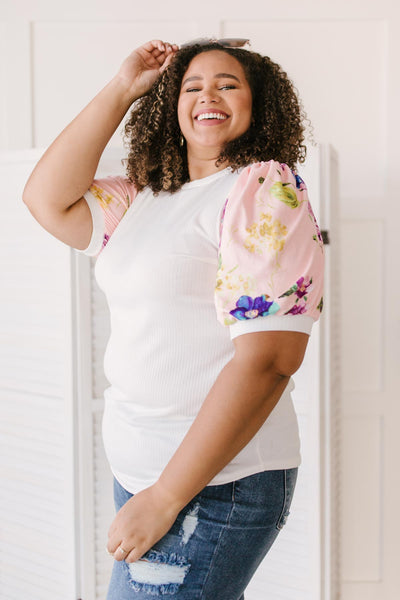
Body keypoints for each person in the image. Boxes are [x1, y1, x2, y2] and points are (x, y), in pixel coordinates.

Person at [23, 38, 324, 599]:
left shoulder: (261, 187)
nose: (208, 94)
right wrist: (122, 88)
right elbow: (45, 198)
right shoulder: (144, 198)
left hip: (211, 487)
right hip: (144, 478)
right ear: (170, 106)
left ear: (260, 104)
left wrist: (165, 498)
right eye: (192, 85)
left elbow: (270, 361)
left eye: (228, 83)